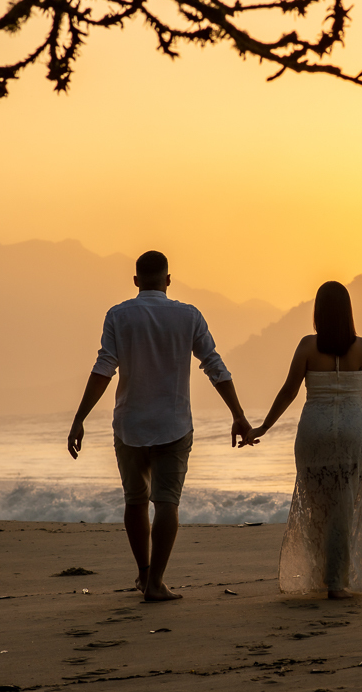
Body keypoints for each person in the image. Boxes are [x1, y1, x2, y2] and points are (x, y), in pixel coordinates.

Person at [67, 250, 252, 602]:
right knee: (167, 503)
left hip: (130, 425)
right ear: (168, 280)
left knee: (135, 502)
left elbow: (104, 368)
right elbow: (215, 366)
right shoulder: (189, 316)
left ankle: (143, 573)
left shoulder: (118, 315)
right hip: (174, 424)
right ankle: (156, 583)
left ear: (136, 281)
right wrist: (238, 414)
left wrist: (79, 419)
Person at [244, 281, 362, 599]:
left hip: (314, 434)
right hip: (353, 433)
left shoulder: (308, 346)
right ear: (348, 311)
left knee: (318, 508)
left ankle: (322, 577)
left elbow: (289, 391)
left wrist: (264, 427)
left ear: (318, 312)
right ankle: (338, 583)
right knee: (346, 508)